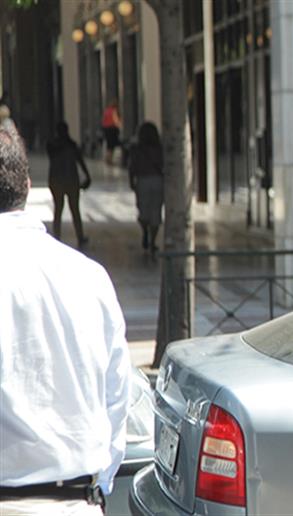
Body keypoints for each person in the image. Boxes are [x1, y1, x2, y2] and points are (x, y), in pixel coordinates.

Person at [0, 116, 131, 515]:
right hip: (78, 501)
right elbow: (117, 398)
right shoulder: (90, 277)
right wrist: (96, 486)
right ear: (27, 186)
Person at [46, 122, 92, 246]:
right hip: (71, 180)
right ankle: (80, 236)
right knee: (74, 209)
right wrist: (87, 176)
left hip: (57, 180)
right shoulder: (71, 145)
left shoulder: (53, 146)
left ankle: (57, 237)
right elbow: (80, 161)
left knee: (58, 209)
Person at [128, 122, 164, 252]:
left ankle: (145, 232)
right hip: (157, 180)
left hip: (142, 180)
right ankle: (152, 241)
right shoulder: (159, 149)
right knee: (156, 211)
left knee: (143, 210)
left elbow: (132, 167)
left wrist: (131, 181)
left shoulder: (136, 149)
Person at [101, 99, 122, 166]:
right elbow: (116, 120)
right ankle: (109, 159)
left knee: (109, 145)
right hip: (112, 129)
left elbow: (103, 120)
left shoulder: (107, 110)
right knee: (112, 145)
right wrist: (119, 125)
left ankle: (107, 158)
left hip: (106, 129)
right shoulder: (114, 111)